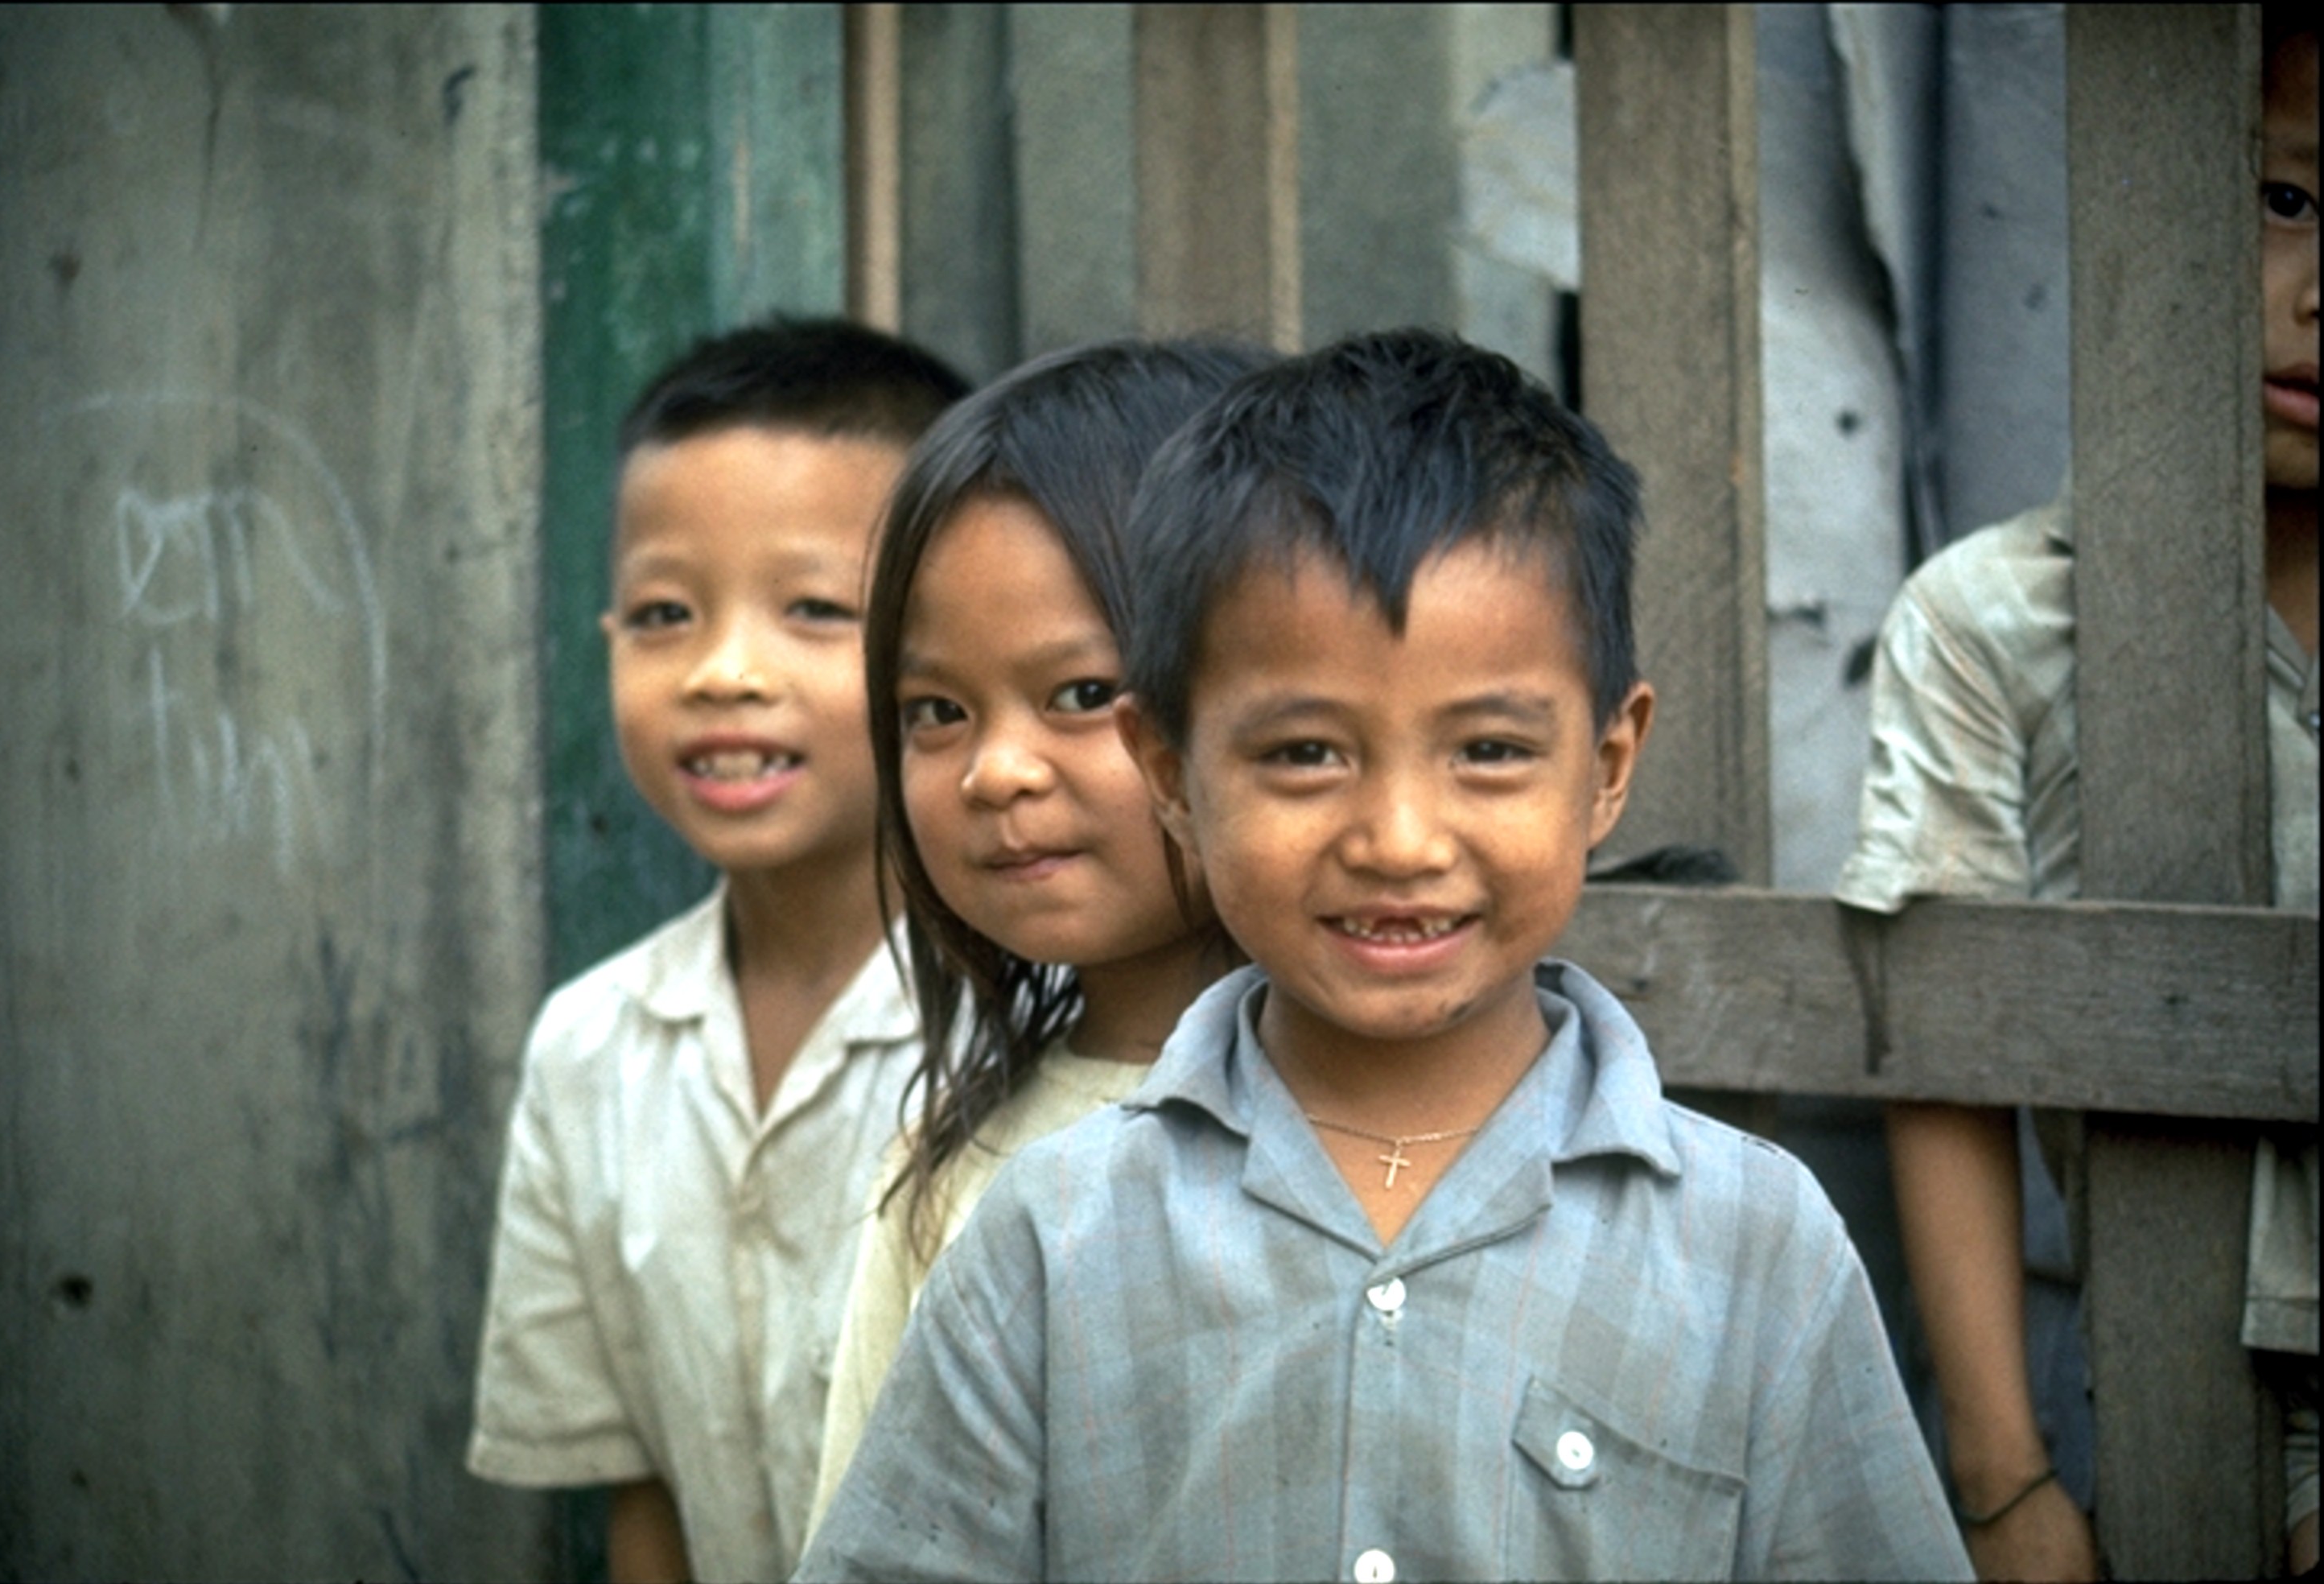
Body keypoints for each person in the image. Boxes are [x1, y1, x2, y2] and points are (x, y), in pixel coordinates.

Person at [798, 328, 1970, 1582]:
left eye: (1489, 752)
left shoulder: (1754, 1247)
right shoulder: (1049, 1233)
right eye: (1306, 753)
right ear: (1173, 773)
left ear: (1610, 765)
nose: (1400, 842)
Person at [1840, 18, 2318, 1579]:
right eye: (2286, 203)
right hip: (2185, 1384)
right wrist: (1998, 1483)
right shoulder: (1994, 620)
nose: (2316, 295)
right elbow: (1946, 1043)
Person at [464, 319, 967, 1583]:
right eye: (664, 614)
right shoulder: (591, 1050)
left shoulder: (1048, 1036)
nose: (723, 672)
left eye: (812, 609)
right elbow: (648, 1500)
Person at [805, 340, 1268, 1528]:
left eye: (1078, 695)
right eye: (937, 713)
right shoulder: (951, 1180)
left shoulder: (1416, 1124)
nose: (995, 772)